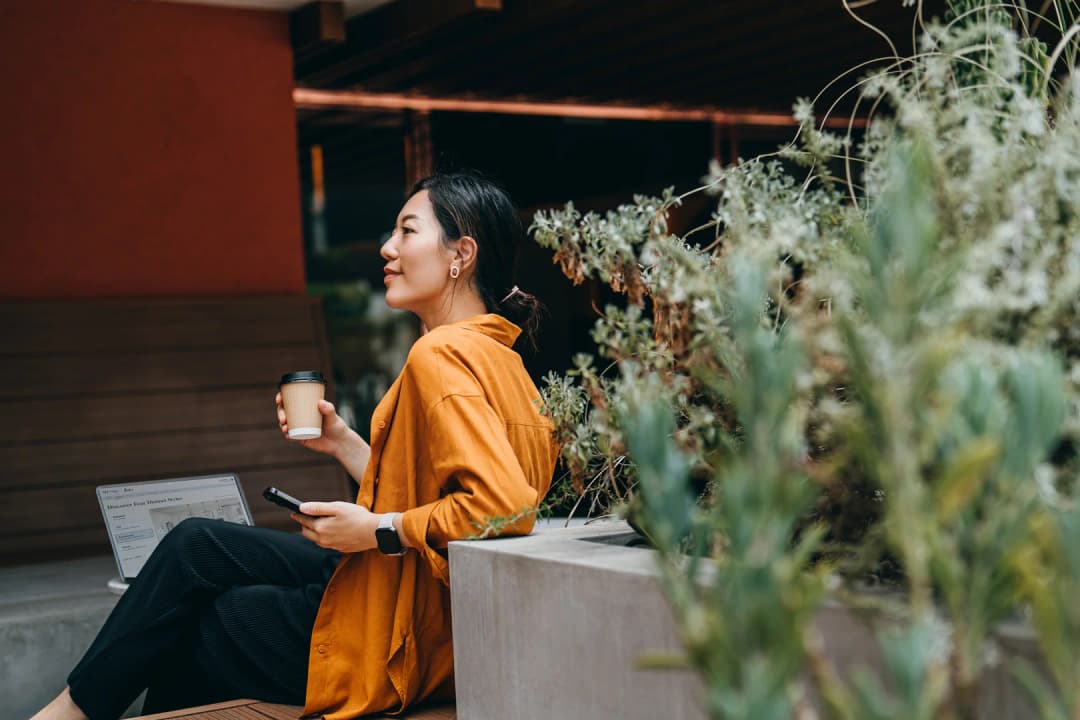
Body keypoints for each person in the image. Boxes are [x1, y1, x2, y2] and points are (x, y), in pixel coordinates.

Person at [31, 171, 559, 720]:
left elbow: (503, 509)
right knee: (197, 545)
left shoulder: (439, 356)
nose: (387, 247)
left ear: (461, 253)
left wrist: (377, 530)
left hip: (395, 629)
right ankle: (73, 710)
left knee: (204, 621)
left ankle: (70, 713)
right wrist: (346, 445)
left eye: (407, 231)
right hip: (416, 604)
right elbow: (446, 485)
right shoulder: (506, 361)